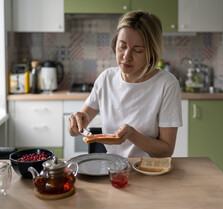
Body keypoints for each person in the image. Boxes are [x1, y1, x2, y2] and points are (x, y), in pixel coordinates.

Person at [68, 10, 182, 158]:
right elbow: (78, 125)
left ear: (151, 52)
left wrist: (132, 135)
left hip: (149, 172)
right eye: (122, 46)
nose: (126, 57)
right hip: (113, 169)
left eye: (138, 50)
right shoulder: (106, 79)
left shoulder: (167, 84)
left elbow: (166, 150)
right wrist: (75, 122)